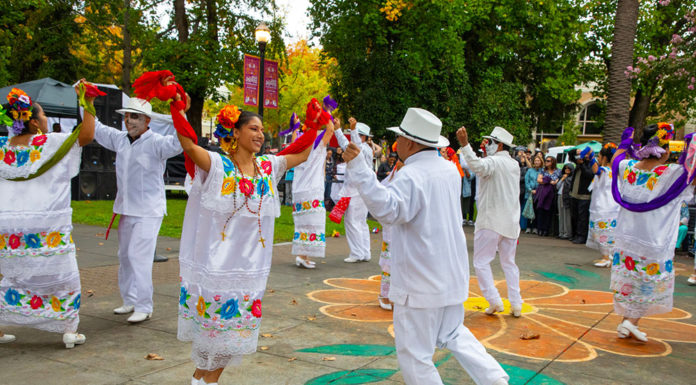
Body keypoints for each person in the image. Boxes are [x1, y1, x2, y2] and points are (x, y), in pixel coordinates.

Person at [343, 108, 509, 385]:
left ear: (410, 142)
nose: (397, 146)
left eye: (400, 140)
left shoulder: (412, 175)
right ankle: (496, 381)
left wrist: (360, 169)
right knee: (455, 334)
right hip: (450, 276)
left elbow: (388, 210)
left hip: (420, 280)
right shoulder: (447, 170)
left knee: (415, 356)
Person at [172, 97, 316, 385]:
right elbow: (188, 146)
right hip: (218, 266)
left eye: (262, 129)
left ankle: (203, 381)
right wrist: (176, 109)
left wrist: (313, 125)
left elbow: (301, 154)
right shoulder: (218, 166)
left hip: (251, 269)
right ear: (235, 132)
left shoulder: (268, 166)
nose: (260, 134)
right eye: (253, 128)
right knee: (215, 334)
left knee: (233, 335)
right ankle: (203, 380)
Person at [0, 82, 96, 348]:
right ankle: (68, 329)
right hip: (46, 225)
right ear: (32, 123)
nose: (45, 120)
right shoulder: (48, 143)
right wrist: (87, 102)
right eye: (42, 115)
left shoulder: (3, 148)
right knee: (62, 276)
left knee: (7, 275)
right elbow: (86, 134)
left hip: (7, 228)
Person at [88, 95, 182, 323]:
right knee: (125, 256)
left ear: (147, 121)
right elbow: (96, 129)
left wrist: (180, 111)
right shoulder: (120, 139)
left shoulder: (157, 142)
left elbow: (180, 142)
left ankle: (144, 305)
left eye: (135, 117)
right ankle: (129, 299)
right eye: (127, 116)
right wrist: (86, 102)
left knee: (139, 256)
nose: (129, 121)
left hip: (149, 211)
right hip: (126, 209)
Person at [610, 123, 695, 342]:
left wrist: (625, 143)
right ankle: (630, 322)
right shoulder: (672, 173)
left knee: (631, 281)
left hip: (627, 238)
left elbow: (615, 159)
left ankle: (625, 323)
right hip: (654, 240)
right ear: (665, 149)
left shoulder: (628, 167)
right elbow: (692, 172)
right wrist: (691, 145)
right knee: (648, 283)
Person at [459, 126, 523, 318]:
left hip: (491, 221)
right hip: (510, 223)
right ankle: (516, 303)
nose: (487, 145)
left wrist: (465, 145)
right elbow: (480, 166)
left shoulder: (493, 162)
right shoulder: (514, 164)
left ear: (500, 145)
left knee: (480, 262)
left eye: (490, 142)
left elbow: (478, 167)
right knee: (509, 263)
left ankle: (494, 300)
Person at [291, 114, 335, 268]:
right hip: (312, 188)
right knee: (310, 224)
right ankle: (302, 256)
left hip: (300, 188)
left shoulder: (301, 141)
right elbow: (330, 129)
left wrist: (296, 127)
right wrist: (326, 113)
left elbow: (293, 138)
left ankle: (303, 255)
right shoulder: (317, 140)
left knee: (303, 224)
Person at [334, 118, 374, 263]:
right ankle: (365, 252)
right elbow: (348, 144)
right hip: (361, 189)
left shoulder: (362, 148)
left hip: (355, 190)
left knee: (352, 221)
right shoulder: (368, 149)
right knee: (361, 222)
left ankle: (357, 253)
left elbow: (353, 145)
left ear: (360, 135)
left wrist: (352, 129)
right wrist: (338, 129)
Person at [585, 143, 619, 267]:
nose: (599, 159)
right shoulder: (616, 172)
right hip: (611, 206)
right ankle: (608, 256)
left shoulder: (605, 171)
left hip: (603, 207)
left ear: (604, 158)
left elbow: (596, 169)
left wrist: (590, 157)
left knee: (602, 232)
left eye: (600, 156)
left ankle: (607, 257)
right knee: (606, 232)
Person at [377, 158, 403, 311]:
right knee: (389, 261)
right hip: (393, 224)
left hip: (403, 224)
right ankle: (384, 294)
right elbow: (382, 192)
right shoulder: (394, 176)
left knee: (401, 262)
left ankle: (396, 294)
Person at [568, 146, 595, 244]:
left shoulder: (592, 164)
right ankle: (575, 234)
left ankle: (581, 236)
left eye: (587, 154)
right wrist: (576, 151)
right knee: (574, 216)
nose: (585, 156)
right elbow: (570, 154)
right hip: (574, 194)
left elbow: (589, 175)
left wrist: (583, 164)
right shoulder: (578, 162)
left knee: (582, 217)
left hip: (584, 196)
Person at [535, 156, 560, 236]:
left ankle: (546, 229)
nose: (546, 162)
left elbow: (557, 181)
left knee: (548, 212)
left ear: (553, 162)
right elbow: (539, 180)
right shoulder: (543, 170)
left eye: (548, 161)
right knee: (540, 211)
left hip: (551, 194)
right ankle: (540, 229)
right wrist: (548, 182)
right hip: (543, 193)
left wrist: (546, 180)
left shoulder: (558, 171)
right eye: (546, 160)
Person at [524, 156, 542, 234]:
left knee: (537, 211)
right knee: (529, 209)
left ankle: (535, 227)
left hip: (539, 193)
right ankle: (528, 227)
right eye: (535, 160)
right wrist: (530, 190)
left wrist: (538, 191)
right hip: (530, 193)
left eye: (538, 161)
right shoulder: (530, 170)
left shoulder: (542, 171)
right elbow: (526, 181)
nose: (537, 162)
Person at [556, 163, 575, 239]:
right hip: (560, 195)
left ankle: (567, 233)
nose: (567, 170)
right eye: (566, 168)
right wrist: (562, 179)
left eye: (568, 168)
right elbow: (557, 186)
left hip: (567, 197)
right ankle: (561, 232)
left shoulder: (571, 178)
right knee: (561, 215)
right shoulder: (561, 176)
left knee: (566, 215)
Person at [459, 150, 475, 225]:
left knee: (469, 203)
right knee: (461, 203)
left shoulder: (470, 167)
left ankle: (470, 218)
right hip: (460, 188)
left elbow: (470, 177)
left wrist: (466, 169)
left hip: (468, 188)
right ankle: (463, 217)